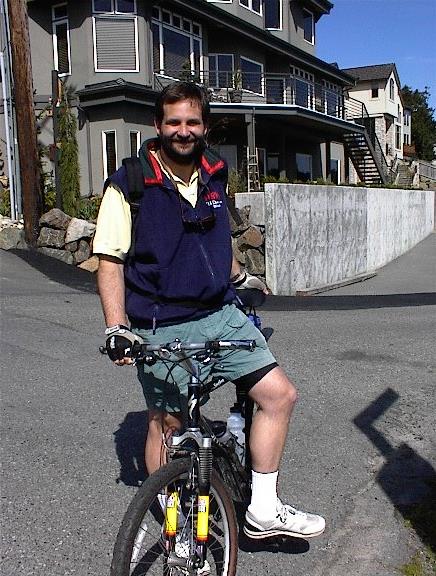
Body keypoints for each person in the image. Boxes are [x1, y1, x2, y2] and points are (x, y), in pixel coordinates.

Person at [93, 81, 325, 542]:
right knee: (168, 424)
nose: (183, 131)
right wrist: (117, 327)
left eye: (192, 122)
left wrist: (240, 279)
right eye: (173, 122)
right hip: (160, 322)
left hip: (221, 313)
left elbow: (214, 240)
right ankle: (170, 516)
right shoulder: (130, 185)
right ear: (157, 125)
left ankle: (263, 508)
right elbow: (109, 260)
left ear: (204, 126)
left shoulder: (216, 171)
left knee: (279, 395)